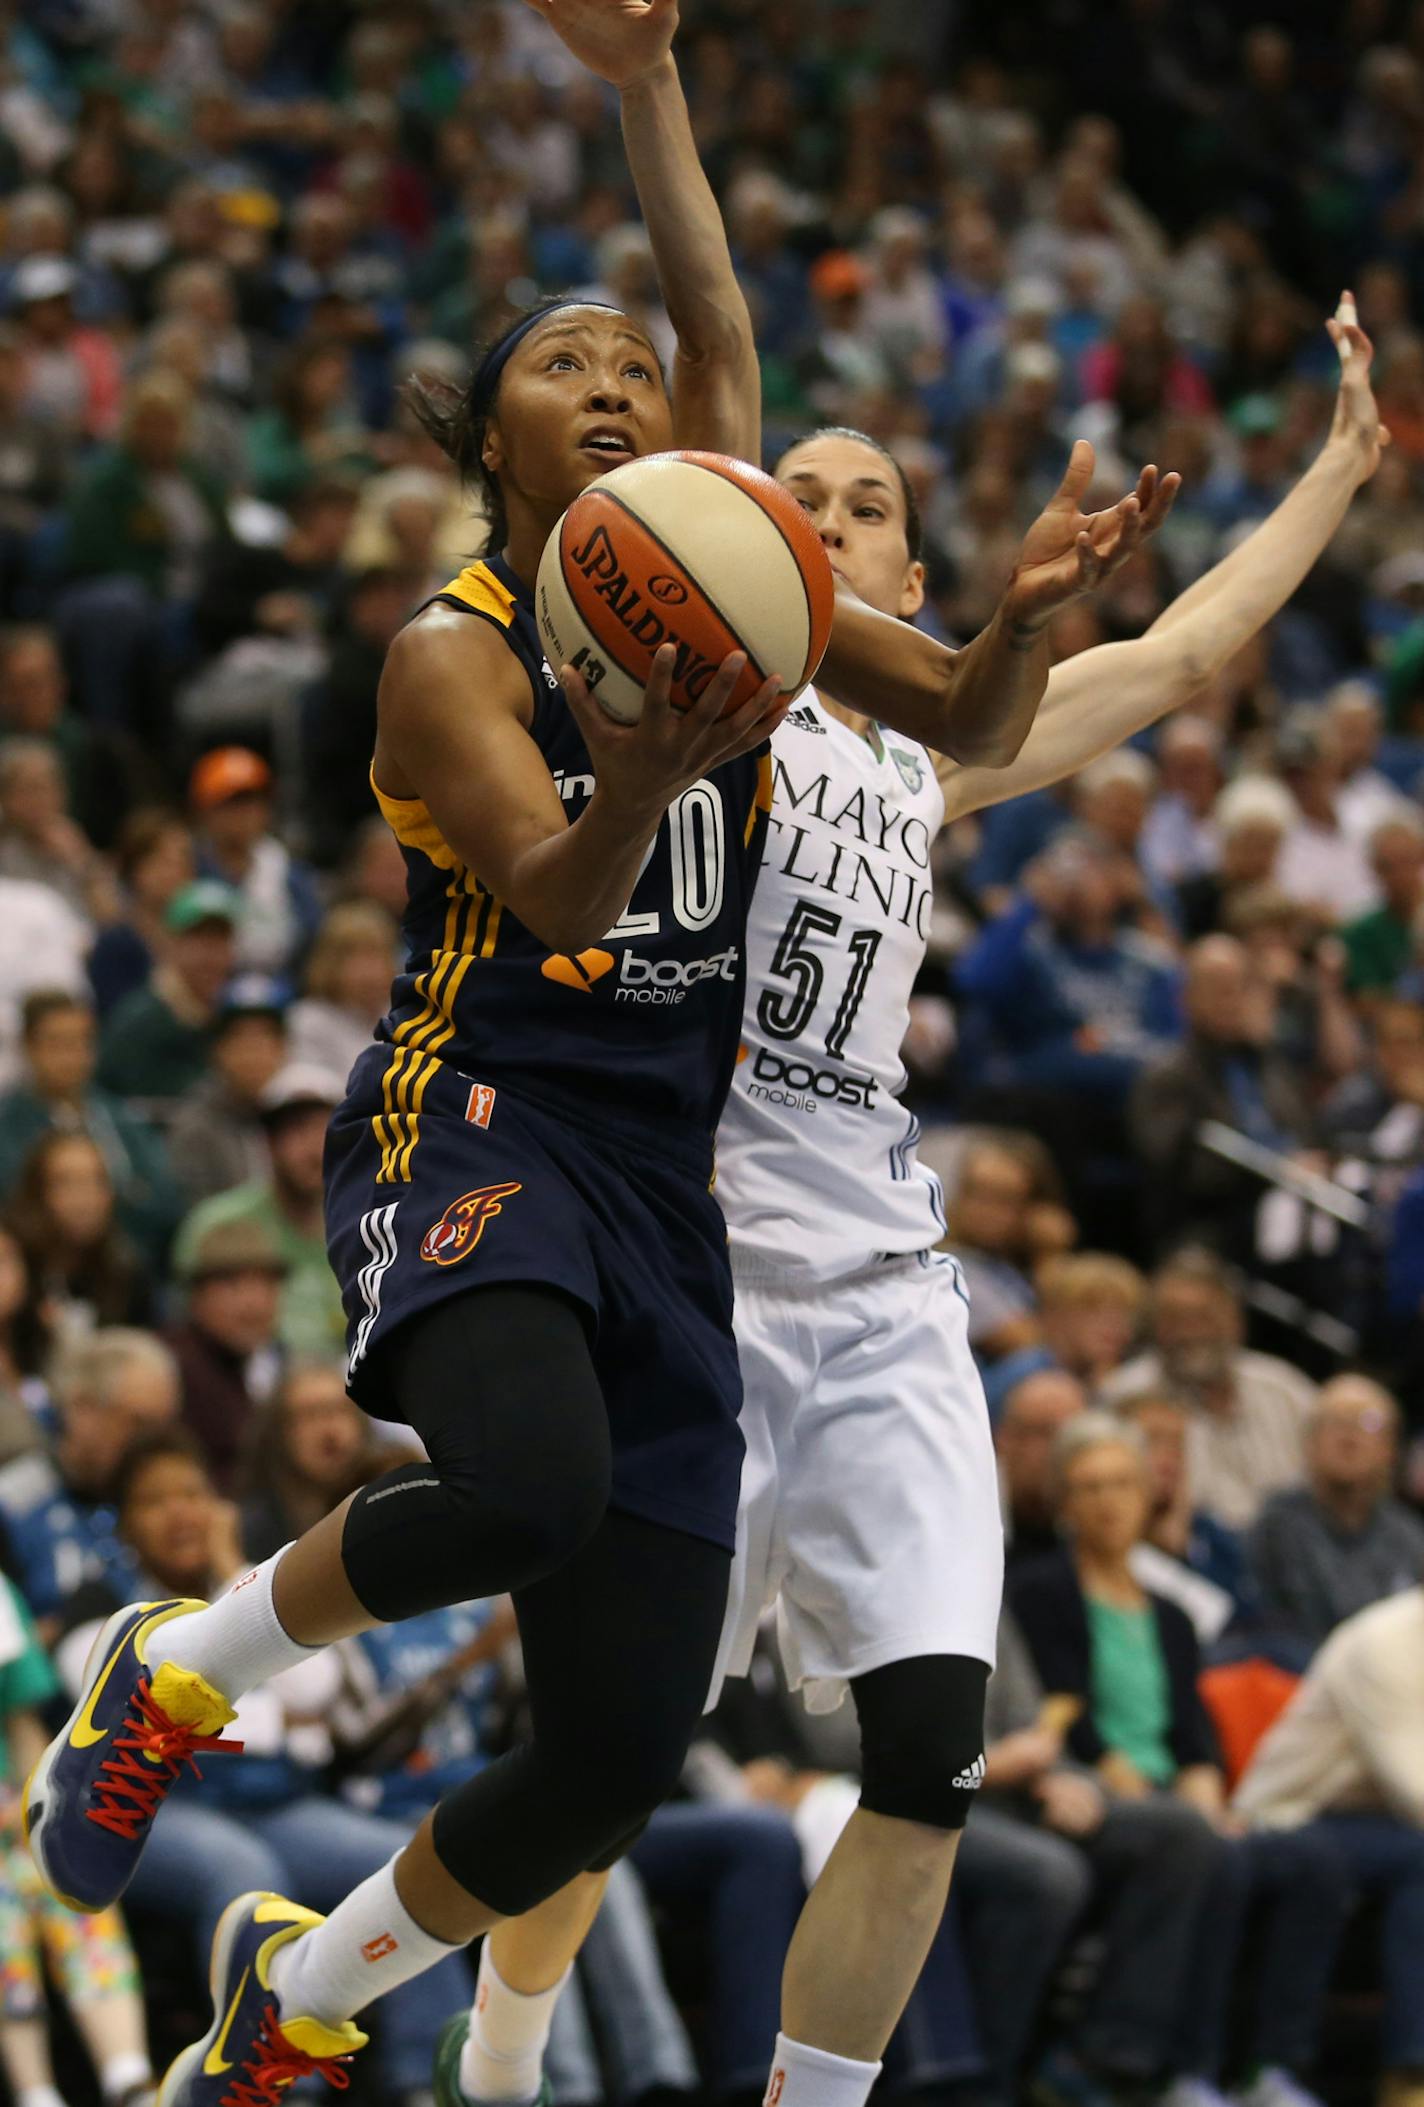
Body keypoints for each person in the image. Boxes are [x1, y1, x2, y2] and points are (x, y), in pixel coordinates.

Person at [27, 6, 1133, 2097]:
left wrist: (1020, 618)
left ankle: (305, 1998)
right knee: (525, 1491)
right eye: (566, 365)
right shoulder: (450, 643)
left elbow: (977, 724)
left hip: (662, 1181)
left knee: (615, 1758)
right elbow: (552, 892)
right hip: (478, 1110)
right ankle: (177, 1667)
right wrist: (651, 755)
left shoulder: (736, 562)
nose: (620, 384)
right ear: (496, 443)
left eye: (633, 367)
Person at [440, 231, 1391, 2107]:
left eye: (861, 504)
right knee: (604, 1767)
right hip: (682, 1278)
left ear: (903, 578)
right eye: (788, 488)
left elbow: (1188, 647)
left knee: (930, 1755)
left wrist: (1344, 467)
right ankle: (505, 2064)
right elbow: (703, 341)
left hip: (877, 1298)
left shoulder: (932, 757)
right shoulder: (683, 704)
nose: (816, 511)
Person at [1010, 1414, 1345, 2107]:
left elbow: (1192, 1738)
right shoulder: (1037, 1591)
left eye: (1122, 1483)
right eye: (1088, 1486)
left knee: (1310, 1857)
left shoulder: (1170, 1612)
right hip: (1083, 1790)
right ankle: (1146, 2061)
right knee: (1196, 1844)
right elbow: (1058, 1713)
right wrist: (1159, 1796)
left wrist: (1210, 1798)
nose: (1107, 1500)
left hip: (1167, 1797)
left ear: (1147, 1493)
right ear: (1065, 1503)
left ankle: (1270, 2068)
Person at [1234, 1586, 1424, 2107]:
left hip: (1382, 1823)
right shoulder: (1384, 1642)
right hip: (1293, 1815)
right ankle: (1411, 2073)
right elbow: (1415, 1787)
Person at [0, 1569, 157, 2107]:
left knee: (63, 1870)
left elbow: (22, 1726)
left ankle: (129, 2079)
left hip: (6, 1810)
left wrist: (33, 1814)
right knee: (2, 1913)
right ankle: (36, 2093)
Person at [1130, 934, 1317, 1256]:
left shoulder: (1268, 1062)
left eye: (1240, 986)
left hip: (1293, 1202)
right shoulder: (1168, 1076)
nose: (1230, 999)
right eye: (1216, 987)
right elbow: (1180, 1168)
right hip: (1218, 1220)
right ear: (1186, 998)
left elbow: (1305, 1132)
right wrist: (1272, 1170)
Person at [1102, 1250, 1316, 1530]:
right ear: (1154, 1325)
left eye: (1204, 1316)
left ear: (1235, 1320)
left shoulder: (1286, 1390)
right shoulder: (1123, 1397)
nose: (1190, 1332)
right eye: (1175, 1318)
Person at [0, 1329, 177, 1629]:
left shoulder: (166, 1505)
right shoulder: (13, 1504)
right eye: (138, 1423)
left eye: (160, 1430)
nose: (149, 1446)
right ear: (82, 1408)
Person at [172, 1062, 346, 1359]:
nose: (314, 1149)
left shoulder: (367, 1227)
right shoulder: (218, 1223)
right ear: (268, 1142)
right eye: (297, 1130)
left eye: (326, 1129)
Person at [1248, 1374, 1424, 1658]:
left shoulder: (1411, 1539)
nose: (1349, 1436)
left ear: (1391, 1448)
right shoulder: (1276, 1525)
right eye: (1334, 1422)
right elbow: (1263, 1629)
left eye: (1368, 1423)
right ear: (1309, 1443)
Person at [0, 989, 179, 1266]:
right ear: (28, 1047)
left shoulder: (117, 1116)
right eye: (57, 1043)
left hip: (125, 1267)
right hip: (36, 1268)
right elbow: (17, 1203)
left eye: (82, 1042)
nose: (72, 1057)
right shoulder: (7, 1123)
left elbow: (164, 1197)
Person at [163, 1217, 286, 1496]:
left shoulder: (278, 1362)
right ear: (196, 1294)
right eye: (232, 1284)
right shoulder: (168, 1368)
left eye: (266, 1283)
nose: (253, 1303)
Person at [97, 880, 240, 1112]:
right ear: (172, 944)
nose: (212, 956)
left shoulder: (231, 1014)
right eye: (201, 941)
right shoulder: (139, 1019)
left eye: (222, 941)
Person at [188, 748, 322, 980]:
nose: (243, 814)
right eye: (230, 803)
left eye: (251, 802)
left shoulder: (288, 871)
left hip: (285, 991)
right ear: (204, 811)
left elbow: (313, 938)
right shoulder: (188, 867)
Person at [8, 1131, 151, 1337]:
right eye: (66, 1183)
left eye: (97, 1181)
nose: (84, 1199)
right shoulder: (10, 1268)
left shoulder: (125, 1271)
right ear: (36, 1192)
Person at [165, 973, 289, 1204]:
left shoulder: (297, 1118)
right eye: (242, 1040)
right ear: (217, 1050)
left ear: (283, 1049)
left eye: (266, 1039)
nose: (254, 1054)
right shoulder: (195, 1126)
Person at [239, 1361, 370, 1564]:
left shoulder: (386, 1502)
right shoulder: (253, 1530)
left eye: (340, 1410)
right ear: (281, 1432)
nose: (329, 1430)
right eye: (310, 1415)